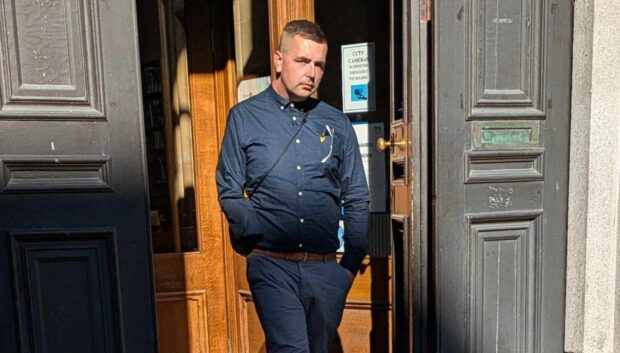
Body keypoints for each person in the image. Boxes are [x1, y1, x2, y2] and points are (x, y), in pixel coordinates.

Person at [216, 19, 369, 353]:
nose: (311, 72)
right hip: (271, 264)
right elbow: (229, 187)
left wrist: (349, 264)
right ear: (279, 60)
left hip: (326, 269)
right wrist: (252, 234)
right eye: (302, 61)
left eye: (318, 64)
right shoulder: (244, 117)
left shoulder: (336, 123)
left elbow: (356, 193)